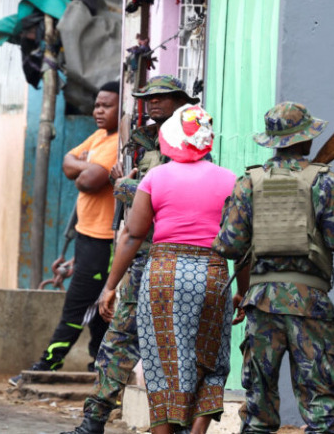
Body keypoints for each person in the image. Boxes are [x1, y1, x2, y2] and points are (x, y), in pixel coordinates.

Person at [64, 75, 198, 434]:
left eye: (162, 98)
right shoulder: (141, 141)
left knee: (174, 345)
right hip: (142, 257)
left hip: (172, 255)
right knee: (119, 340)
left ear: (179, 101)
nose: (153, 103)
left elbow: (164, 194)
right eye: (148, 98)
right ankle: (93, 421)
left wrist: (125, 187)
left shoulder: (191, 139)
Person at [100, 104, 236, 433]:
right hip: (212, 273)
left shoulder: (155, 178)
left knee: (163, 361)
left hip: (164, 272)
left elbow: (133, 235)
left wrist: (110, 286)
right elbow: (239, 244)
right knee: (212, 360)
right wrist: (242, 290)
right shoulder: (230, 180)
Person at [213, 102, 334, 433]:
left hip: (261, 301)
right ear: (307, 138)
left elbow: (229, 245)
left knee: (258, 404)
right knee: (320, 403)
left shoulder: (249, 182)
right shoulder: (324, 182)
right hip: (311, 303)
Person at [9, 81, 120, 386]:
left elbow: (88, 181)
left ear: (120, 109)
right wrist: (85, 166)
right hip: (86, 236)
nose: (98, 110)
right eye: (97, 104)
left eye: (106, 105)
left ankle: (47, 365)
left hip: (104, 241)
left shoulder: (117, 144)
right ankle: (99, 365)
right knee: (97, 309)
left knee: (78, 305)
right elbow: (67, 163)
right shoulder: (100, 135)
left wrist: (84, 167)